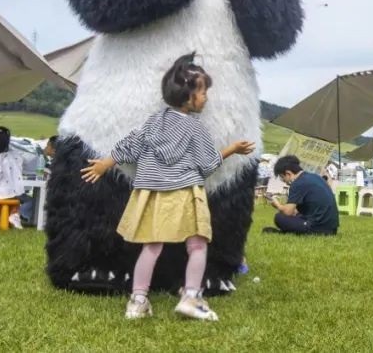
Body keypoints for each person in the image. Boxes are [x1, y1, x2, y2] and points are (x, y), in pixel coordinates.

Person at [81, 53, 254, 322]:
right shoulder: (196, 129)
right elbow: (207, 164)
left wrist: (105, 163)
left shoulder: (153, 122)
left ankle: (138, 301)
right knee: (197, 245)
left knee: (151, 247)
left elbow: (131, 145)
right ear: (188, 96)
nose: (206, 97)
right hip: (185, 192)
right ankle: (192, 297)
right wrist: (233, 149)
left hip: (151, 193)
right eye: (203, 91)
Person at [264, 154, 338, 235]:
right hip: (332, 229)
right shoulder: (316, 177)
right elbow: (297, 210)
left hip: (317, 228)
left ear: (288, 173)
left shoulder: (297, 183)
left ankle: (287, 232)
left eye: (282, 177)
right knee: (297, 216)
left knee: (279, 218)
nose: (284, 181)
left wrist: (277, 205)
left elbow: (288, 212)